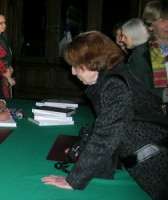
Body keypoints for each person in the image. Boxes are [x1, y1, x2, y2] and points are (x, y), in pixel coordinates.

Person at [41, 31, 168, 199]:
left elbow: (106, 135)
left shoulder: (115, 85)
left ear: (92, 63)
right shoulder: (113, 76)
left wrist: (74, 180)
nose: (72, 72)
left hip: (157, 163)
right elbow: (109, 122)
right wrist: (83, 147)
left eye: (76, 66)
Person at [141, 0, 168, 103]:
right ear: (150, 24)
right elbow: (138, 91)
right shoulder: (141, 52)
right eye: (162, 20)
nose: (167, 24)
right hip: (154, 114)